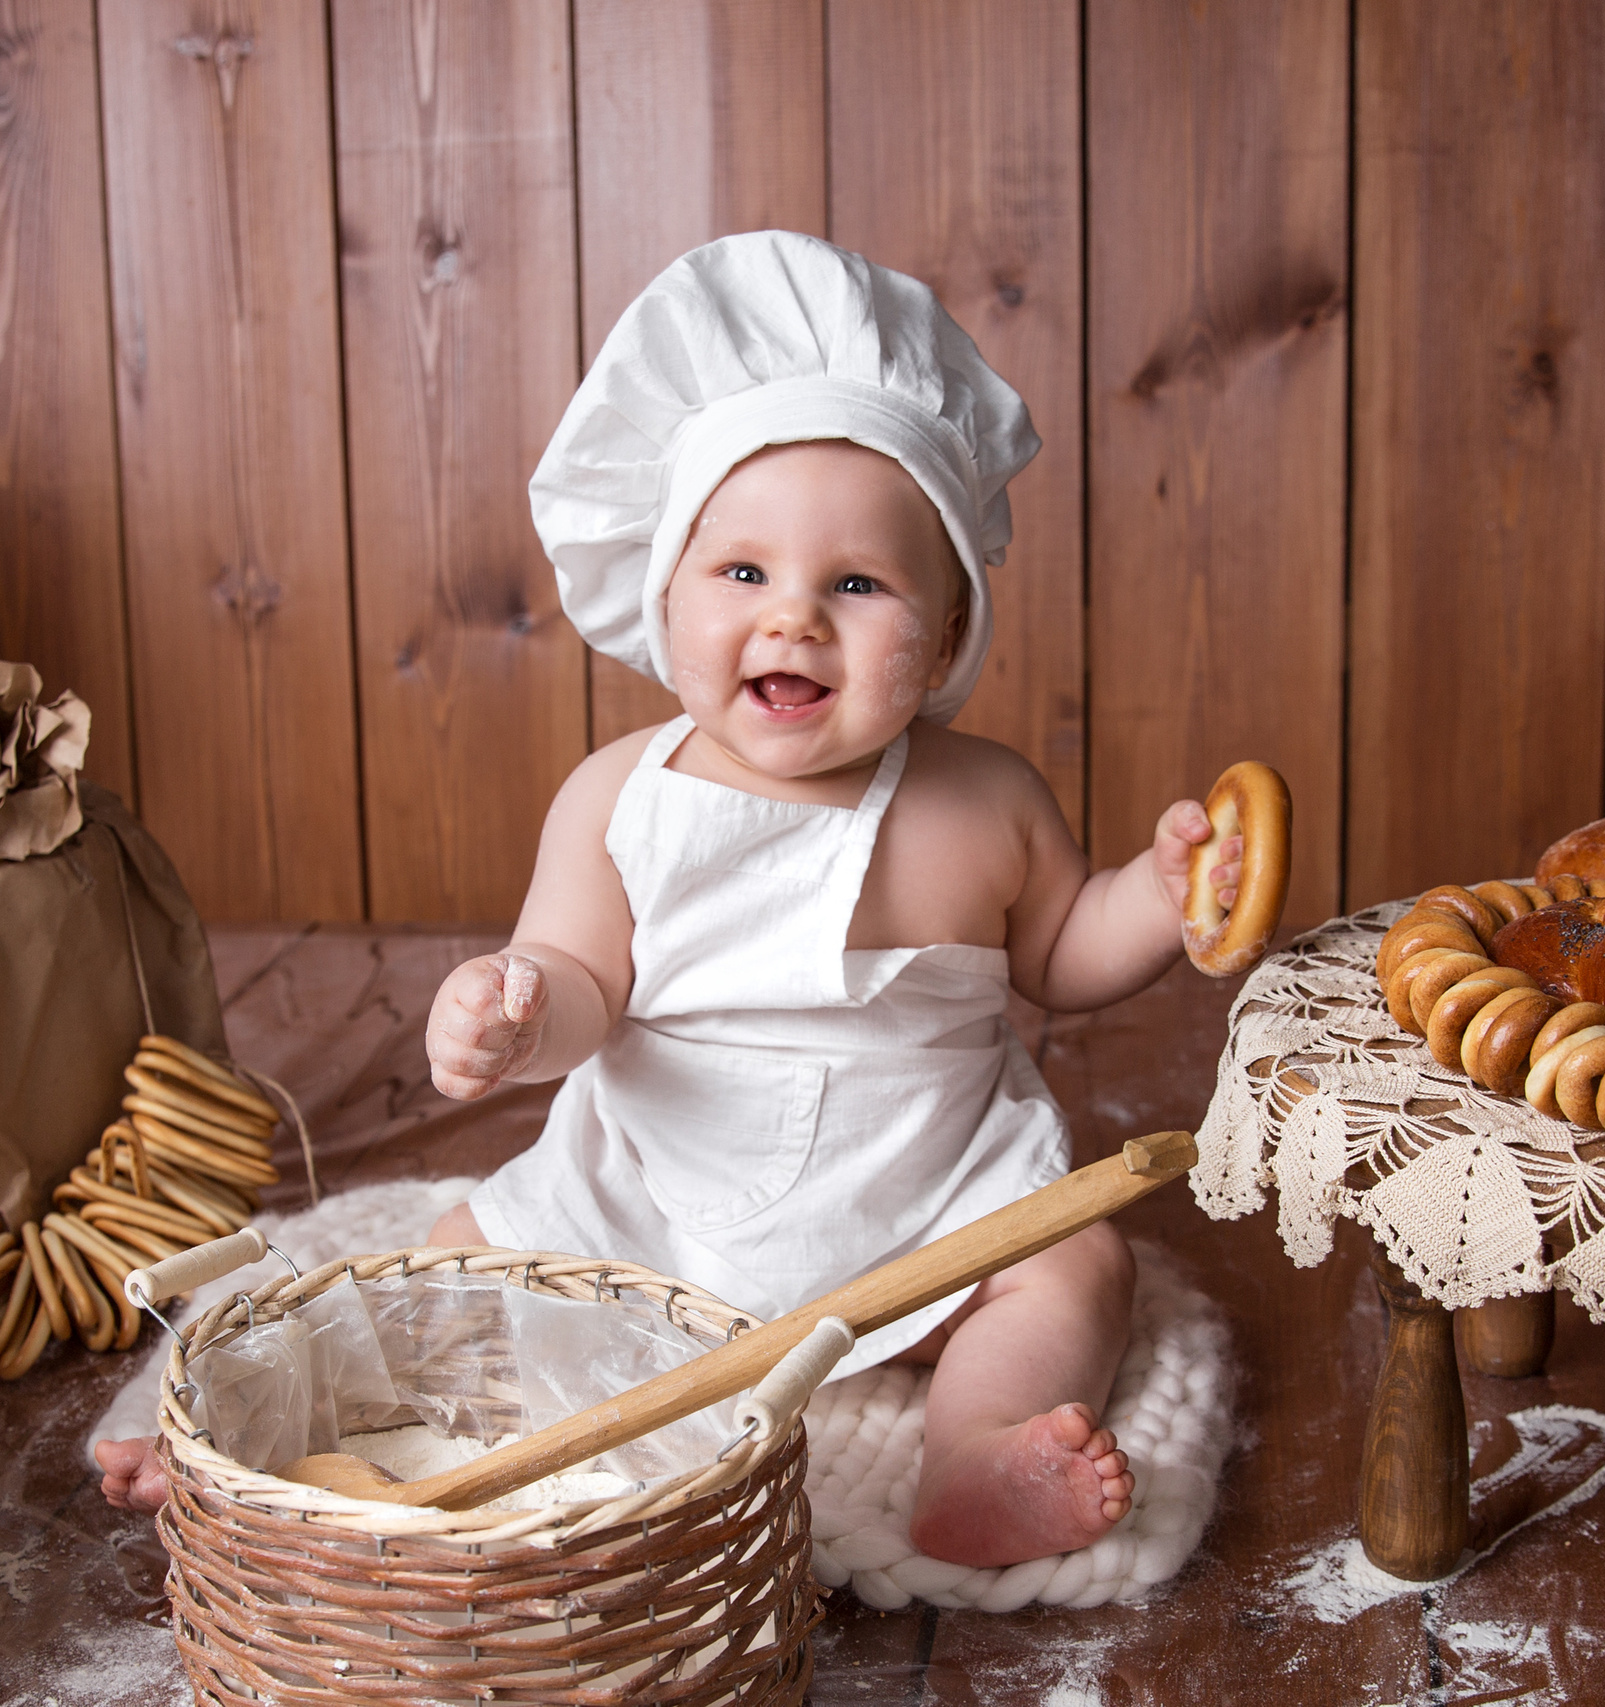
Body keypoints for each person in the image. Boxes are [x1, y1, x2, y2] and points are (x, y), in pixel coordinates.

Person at [102, 235, 1239, 1567]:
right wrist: (519, 1013)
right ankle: (272, 1447)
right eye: (742, 573)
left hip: (928, 1202)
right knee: (445, 1268)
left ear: (944, 634)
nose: (794, 619)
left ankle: (973, 1459)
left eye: (858, 586)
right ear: (664, 597)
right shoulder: (620, 797)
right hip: (651, 1200)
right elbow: (582, 980)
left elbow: (1062, 948)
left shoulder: (983, 800)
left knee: (1076, 1266)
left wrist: (1162, 903)